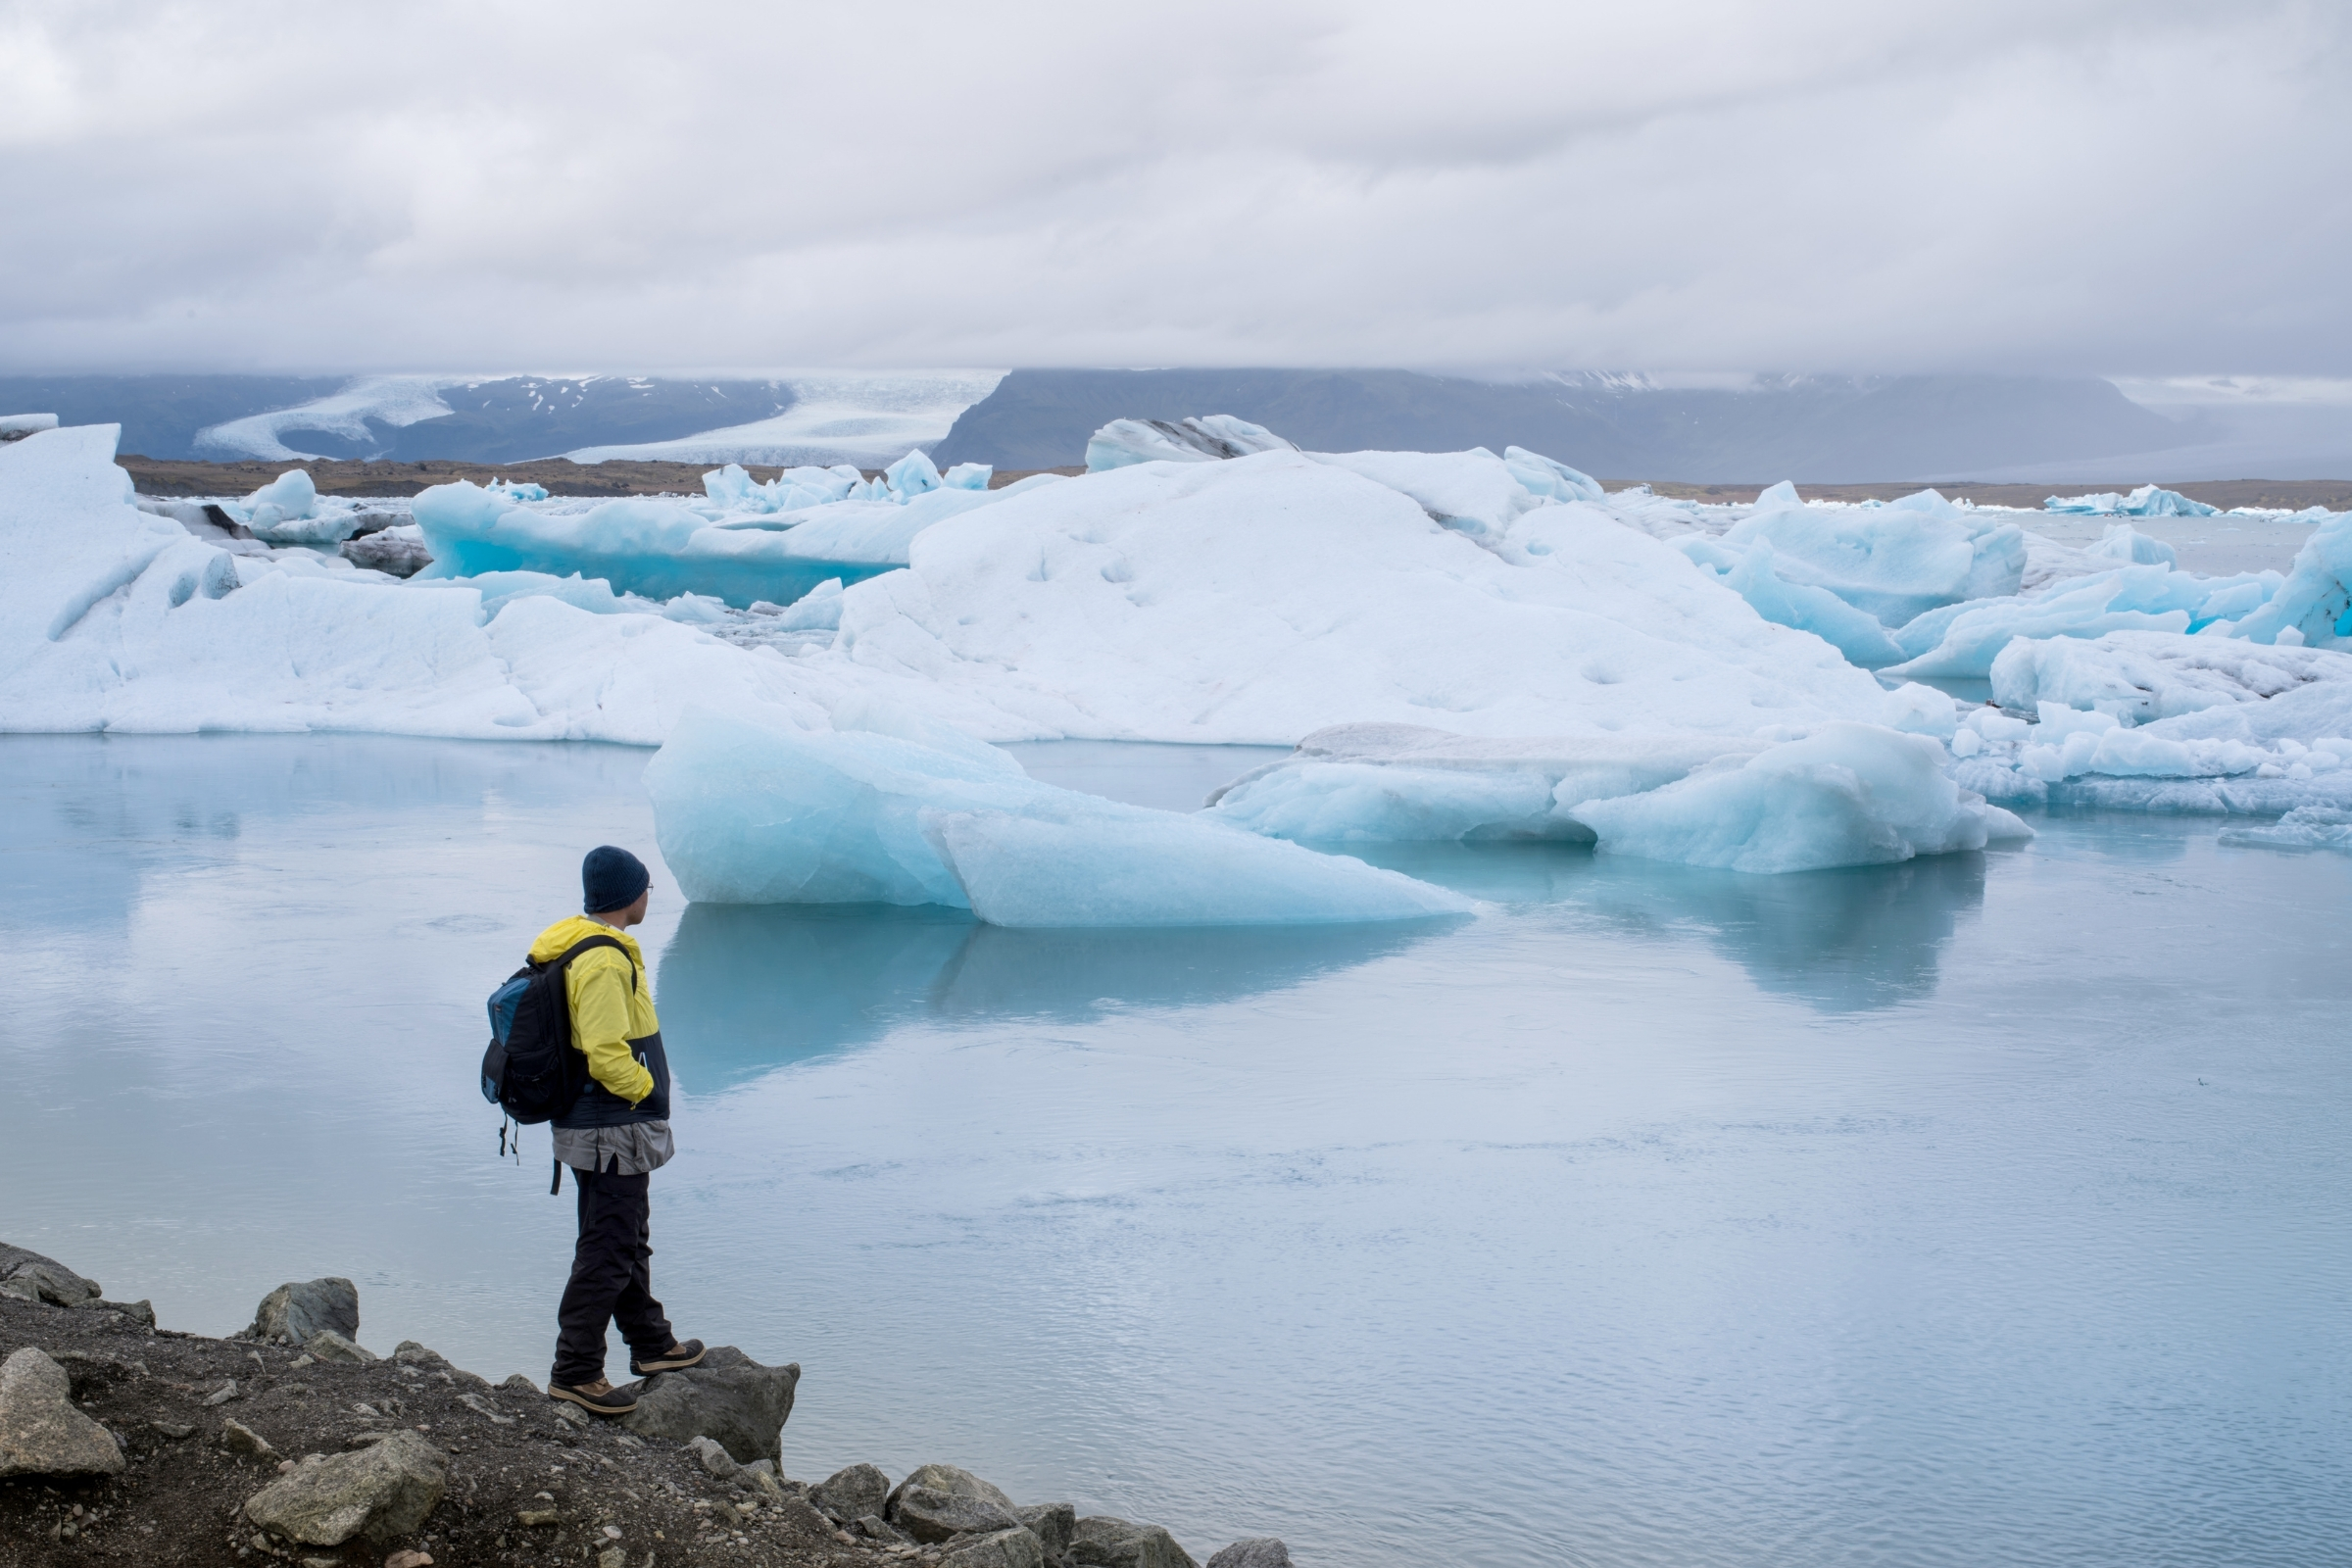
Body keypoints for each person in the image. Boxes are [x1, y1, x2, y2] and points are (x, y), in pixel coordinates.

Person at [537, 845, 704, 1415]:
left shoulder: (585, 945)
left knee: (625, 1238)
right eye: (646, 887)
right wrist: (647, 1091)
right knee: (607, 1250)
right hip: (612, 1128)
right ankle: (575, 1370)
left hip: (603, 1129)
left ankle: (651, 1343)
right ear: (628, 895)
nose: (649, 896)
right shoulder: (605, 961)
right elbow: (605, 1052)